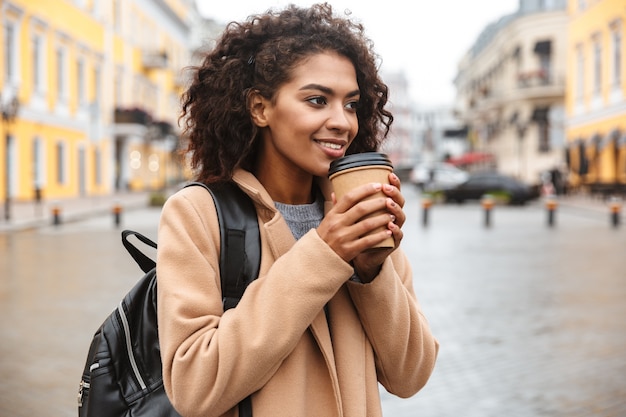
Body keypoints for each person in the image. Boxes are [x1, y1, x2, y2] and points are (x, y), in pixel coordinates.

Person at [156, 3, 439, 416]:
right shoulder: (197, 213)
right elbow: (194, 386)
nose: (342, 121)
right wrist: (326, 252)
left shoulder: (356, 212)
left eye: (351, 104)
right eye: (317, 100)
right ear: (260, 108)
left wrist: (373, 272)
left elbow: (410, 376)